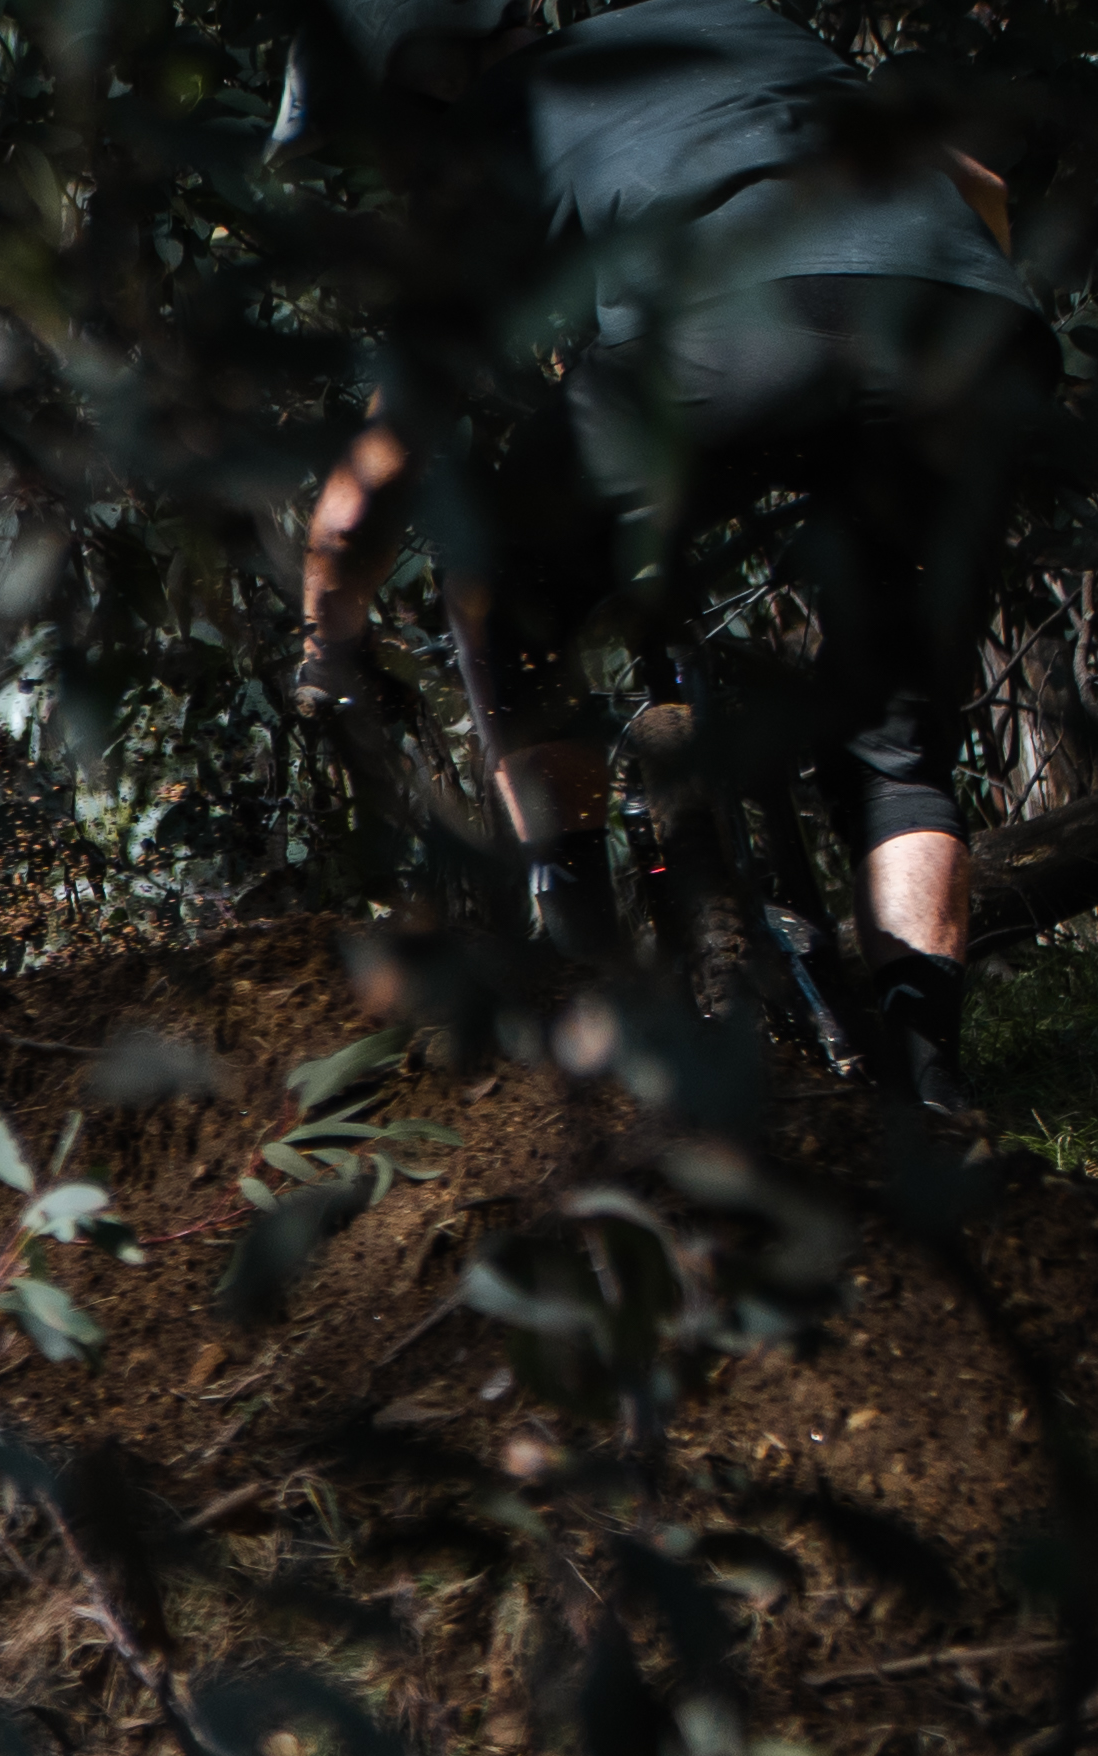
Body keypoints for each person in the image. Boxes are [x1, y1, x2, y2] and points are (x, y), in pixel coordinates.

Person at [280, 0, 1061, 1120]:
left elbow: (385, 459)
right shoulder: (734, 26)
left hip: (729, 332)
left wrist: (328, 636)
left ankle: (574, 952)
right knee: (894, 749)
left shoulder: (500, 118)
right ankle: (927, 1088)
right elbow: (977, 185)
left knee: (498, 583)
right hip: (966, 334)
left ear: (417, 85)